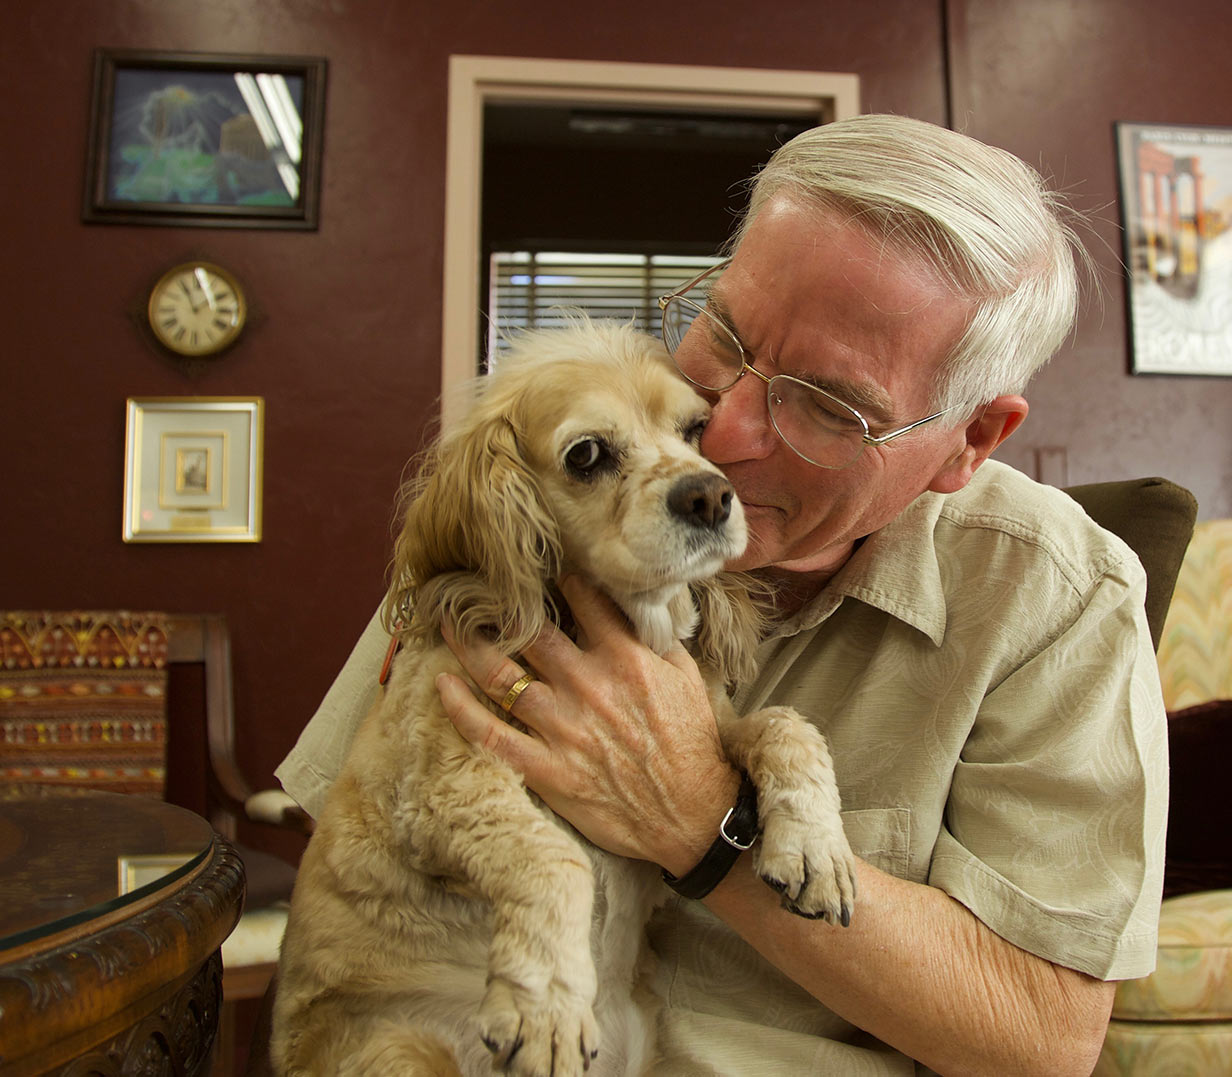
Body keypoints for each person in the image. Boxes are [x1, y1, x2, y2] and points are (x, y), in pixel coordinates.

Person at [275, 114, 1168, 1076]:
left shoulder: (1056, 595)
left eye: (828, 403)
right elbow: (355, 879)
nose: (722, 429)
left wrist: (706, 824)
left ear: (970, 440)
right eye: (727, 333)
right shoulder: (548, 484)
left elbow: (1040, 1040)